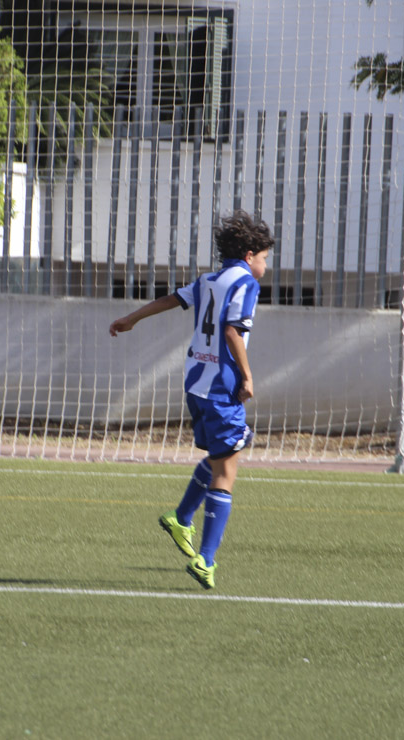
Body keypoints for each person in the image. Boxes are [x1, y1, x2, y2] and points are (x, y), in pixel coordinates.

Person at [109, 210, 273, 590]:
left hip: (196, 384)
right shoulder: (246, 283)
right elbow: (232, 331)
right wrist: (247, 377)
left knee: (224, 454)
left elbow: (172, 298)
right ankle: (206, 559)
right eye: (264, 258)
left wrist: (132, 318)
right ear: (249, 255)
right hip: (222, 388)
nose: (265, 265)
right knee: (226, 472)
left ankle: (181, 518)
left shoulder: (210, 279)